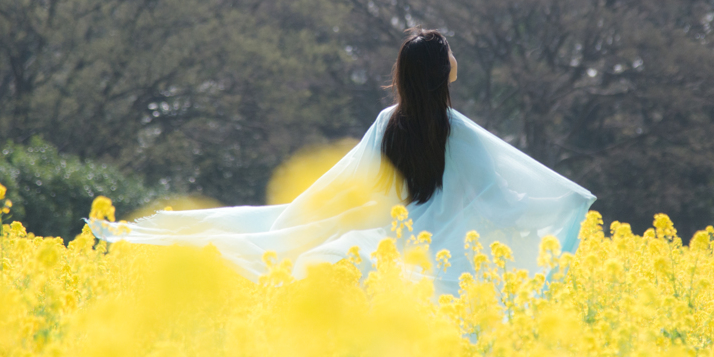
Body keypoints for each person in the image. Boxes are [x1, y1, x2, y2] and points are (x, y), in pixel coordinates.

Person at [89, 29, 595, 295]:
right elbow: (505, 206)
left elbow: (338, 186)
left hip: (386, 243)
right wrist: (566, 205)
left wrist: (291, 223)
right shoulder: (460, 134)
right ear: (444, 72)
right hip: (439, 264)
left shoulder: (387, 123)